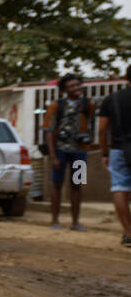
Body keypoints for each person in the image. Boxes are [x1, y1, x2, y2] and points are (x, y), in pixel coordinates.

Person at [42, 73, 95, 231]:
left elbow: (90, 123)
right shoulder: (56, 106)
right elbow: (49, 131)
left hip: (80, 151)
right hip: (60, 150)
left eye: (78, 85)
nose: (76, 88)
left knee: (77, 184)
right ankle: (55, 220)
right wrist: (52, 155)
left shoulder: (88, 104)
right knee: (57, 184)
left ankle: (75, 222)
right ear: (64, 89)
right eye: (72, 86)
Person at [97, 64, 131, 247]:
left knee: (120, 188)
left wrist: (104, 152)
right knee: (78, 181)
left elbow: (102, 129)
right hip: (77, 158)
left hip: (118, 149)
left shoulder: (112, 99)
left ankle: (128, 233)